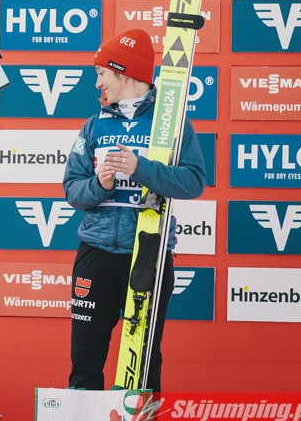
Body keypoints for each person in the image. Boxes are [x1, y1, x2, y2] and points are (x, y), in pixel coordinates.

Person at [63, 28, 206, 392]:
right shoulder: (94, 124)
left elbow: (193, 181)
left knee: (142, 361)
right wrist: (101, 184)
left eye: (101, 73)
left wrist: (141, 168)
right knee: (85, 359)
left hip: (148, 253)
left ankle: (138, 418)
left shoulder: (170, 123)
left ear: (123, 72)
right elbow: (72, 190)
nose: (97, 83)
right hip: (96, 253)